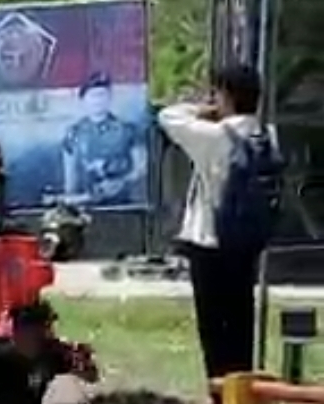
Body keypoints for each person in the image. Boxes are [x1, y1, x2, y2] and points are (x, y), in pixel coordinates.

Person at [158, 63, 280, 387]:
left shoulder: (214, 137)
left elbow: (168, 116)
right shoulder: (267, 136)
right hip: (247, 245)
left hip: (210, 246)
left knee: (215, 336)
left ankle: (222, 402)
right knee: (241, 328)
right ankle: (243, 399)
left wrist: (204, 110)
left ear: (226, 95)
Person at [61, 72, 146, 206]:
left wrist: (122, 182)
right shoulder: (74, 134)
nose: (98, 101)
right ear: (84, 99)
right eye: (93, 96)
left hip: (122, 204)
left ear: (109, 98)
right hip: (84, 206)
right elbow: (70, 177)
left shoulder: (128, 130)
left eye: (102, 95)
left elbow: (141, 168)